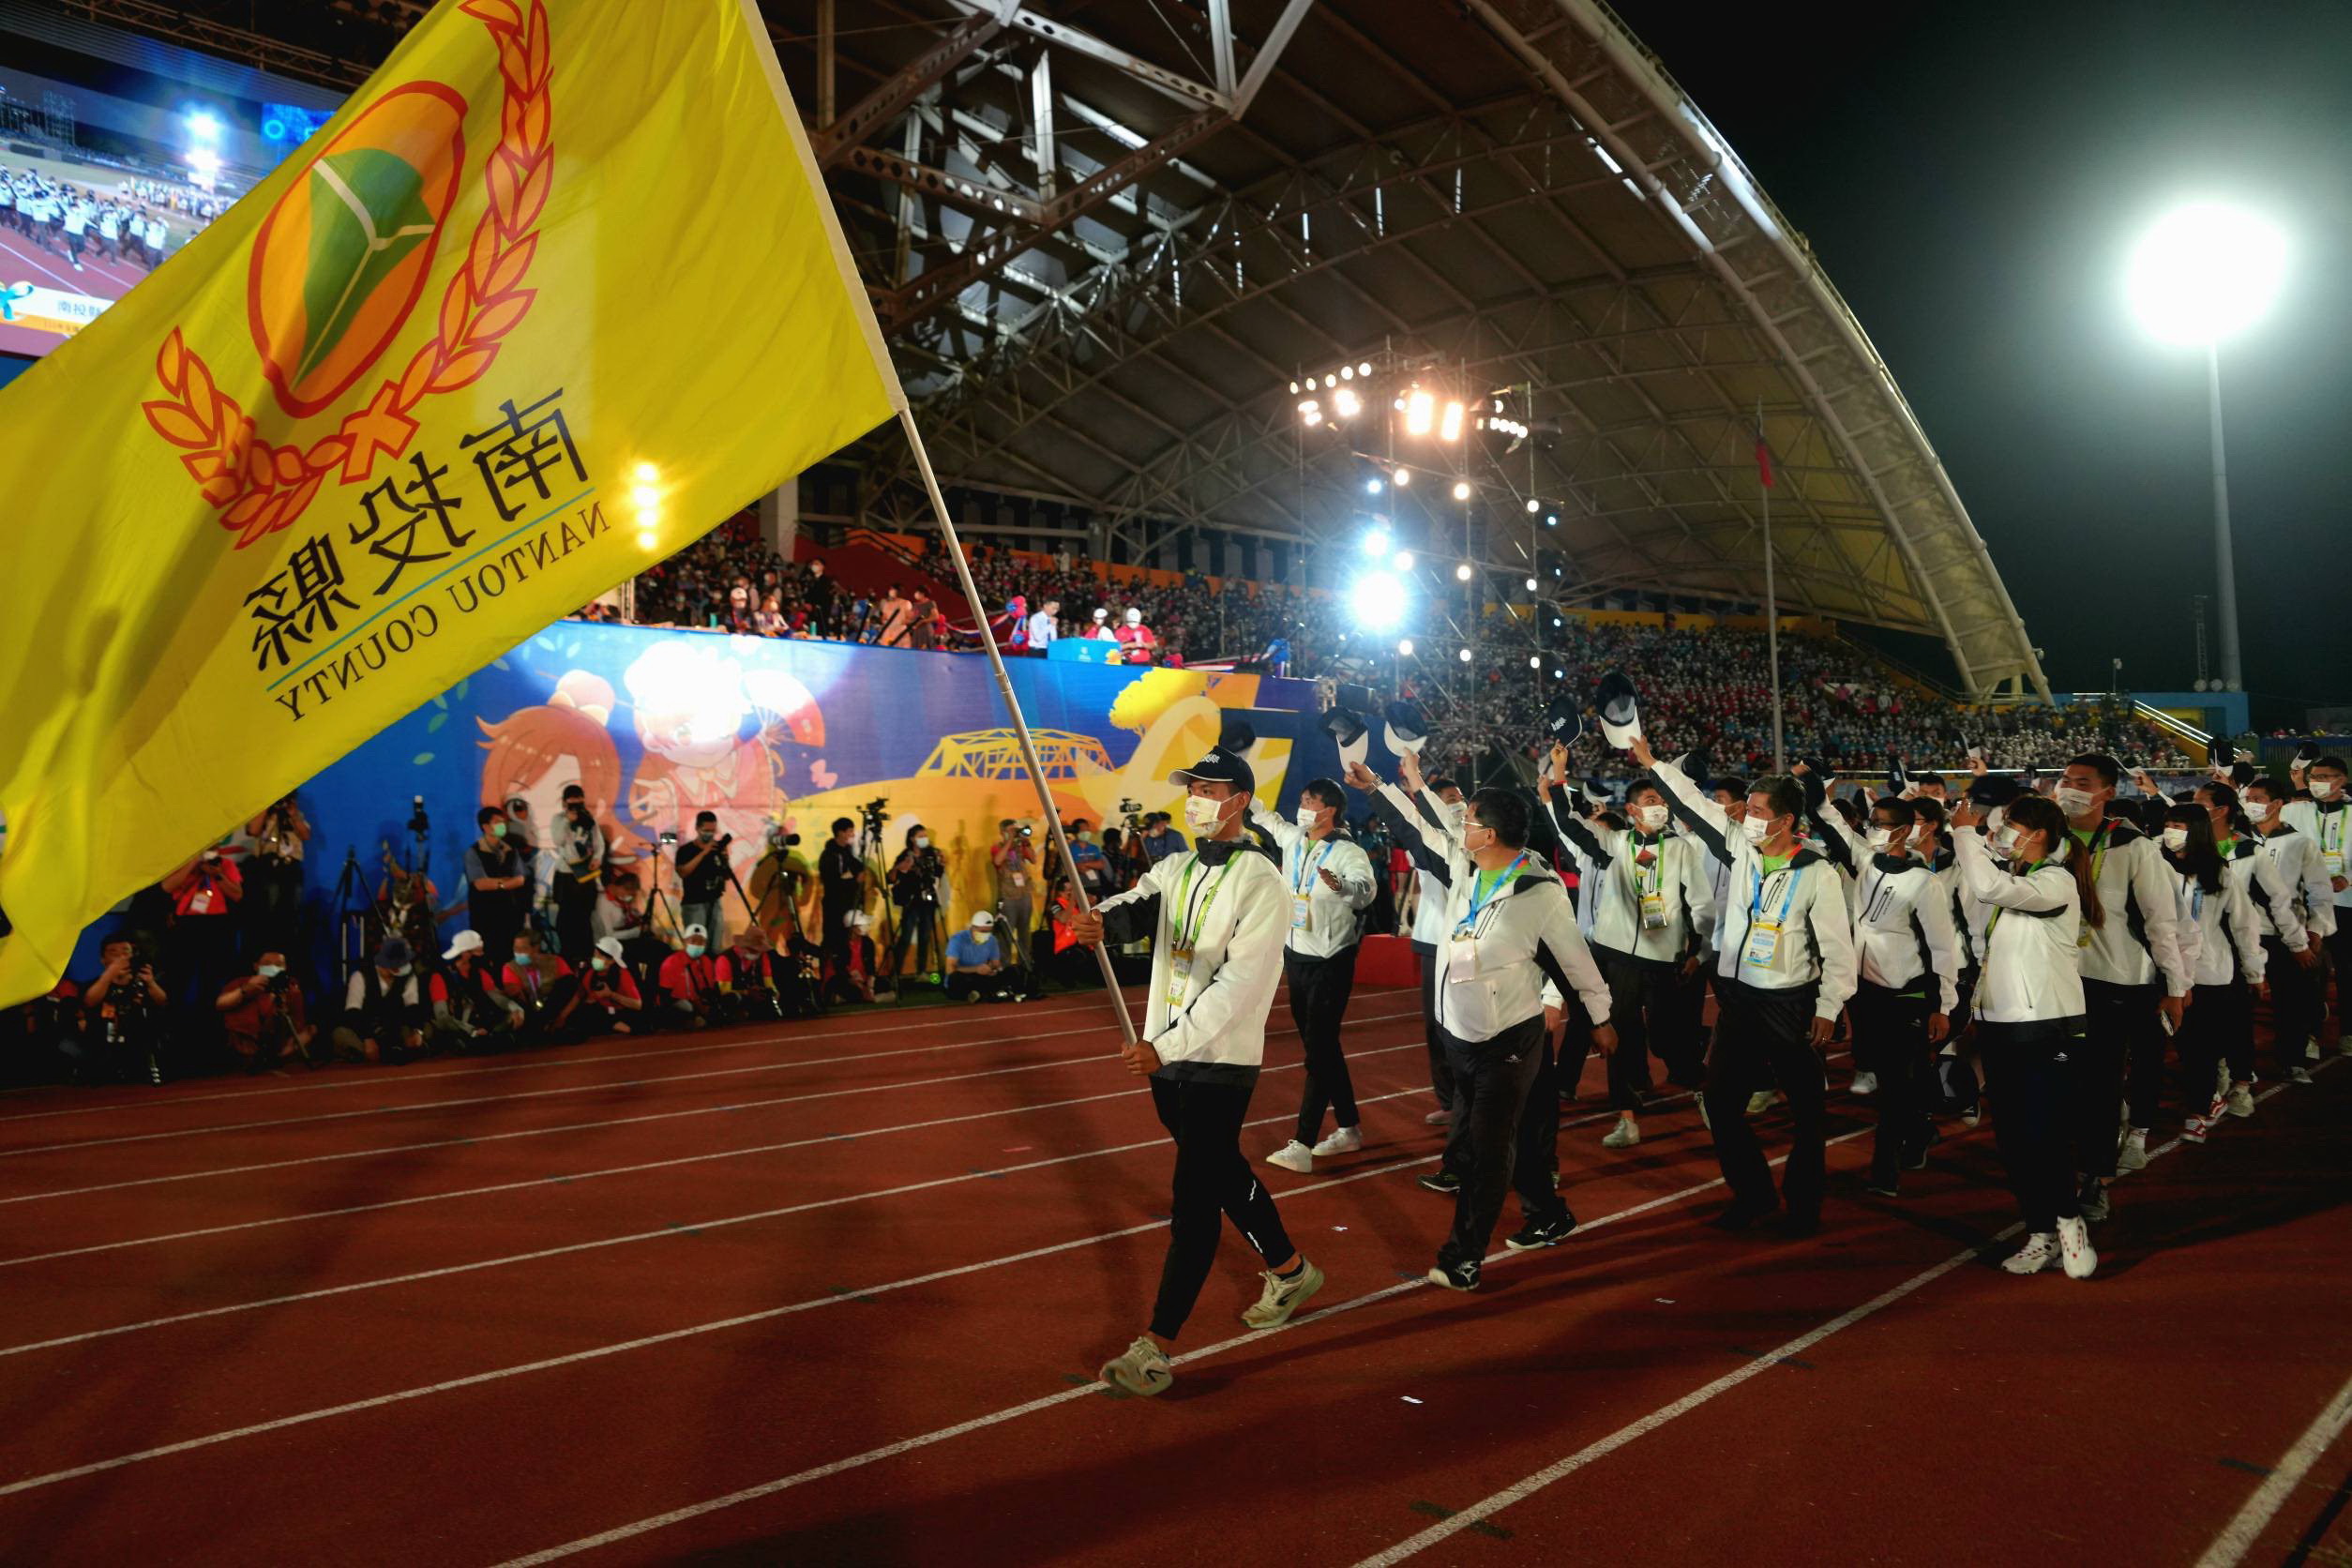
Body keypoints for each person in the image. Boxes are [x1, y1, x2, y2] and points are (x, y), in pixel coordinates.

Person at [1077, 745, 1323, 1398]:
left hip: (1218, 1061)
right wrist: (1099, 922)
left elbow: (1240, 987)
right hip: (1166, 1057)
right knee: (1220, 1172)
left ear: (1240, 800)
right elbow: (1137, 905)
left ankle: (1155, 1345)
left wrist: (1167, 1046)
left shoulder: (1262, 881)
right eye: (1192, 789)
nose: (1195, 800)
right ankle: (1290, 1269)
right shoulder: (1176, 867)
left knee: (1194, 1198)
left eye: (1208, 790)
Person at [1355, 748, 1615, 1289]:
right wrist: (1377, 787)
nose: (1462, 826)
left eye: (1470, 820)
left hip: (1508, 1039)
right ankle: (1548, 1213)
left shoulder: (1539, 893)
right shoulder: (1464, 869)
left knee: (1487, 1150)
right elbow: (1413, 830)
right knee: (1506, 1136)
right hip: (1460, 1034)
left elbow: (1575, 962)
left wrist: (1600, 1018)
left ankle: (1463, 1257)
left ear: (1491, 834)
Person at [1635, 734, 1857, 1236]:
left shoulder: (1816, 871)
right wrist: (1651, 762)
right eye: (1747, 808)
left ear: (1786, 821)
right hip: (1739, 999)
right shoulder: (1740, 848)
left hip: (1791, 1003)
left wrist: (1829, 1006)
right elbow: (1691, 802)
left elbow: (1838, 947)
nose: (1746, 817)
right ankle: (1754, 1194)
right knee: (1720, 1102)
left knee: (1807, 1114)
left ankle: (1803, 1207)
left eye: (1756, 811)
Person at [1949, 792, 2099, 1279]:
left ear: (2037, 834)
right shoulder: (2015, 878)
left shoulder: (2056, 882)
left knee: (2044, 1132)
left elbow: (1990, 887)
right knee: (2012, 1137)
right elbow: (1982, 908)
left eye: (2009, 824)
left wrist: (1964, 832)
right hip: (2000, 1025)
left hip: (2048, 1026)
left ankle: (2069, 1220)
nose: (2000, 832)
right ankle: (2039, 1233)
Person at [1537, 746, 1713, 1150]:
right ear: (1632, 810)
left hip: (1664, 960)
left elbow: (1702, 905)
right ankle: (1626, 1118)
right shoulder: (1613, 843)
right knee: (1619, 1038)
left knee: (1668, 1040)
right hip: (1616, 958)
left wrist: (1697, 952)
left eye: (1660, 801)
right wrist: (1560, 774)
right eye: (1650, 800)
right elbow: (1569, 823)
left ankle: (1705, 1093)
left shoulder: (1681, 849)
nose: (1659, 806)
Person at [2050, 754, 2187, 1225]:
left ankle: (2096, 1175)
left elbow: (2161, 922)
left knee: (2099, 1085)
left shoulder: (2133, 847)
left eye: (2082, 782)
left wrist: (2175, 985)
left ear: (2107, 793)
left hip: (2113, 983)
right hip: (2050, 980)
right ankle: (2057, 1168)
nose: (2069, 788)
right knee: (2056, 1082)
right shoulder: (2046, 840)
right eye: (2065, 779)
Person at [1812, 792, 1960, 1198]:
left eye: (1882, 823)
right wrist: (1813, 787)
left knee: (1895, 1084)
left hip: (1905, 997)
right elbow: (1831, 824)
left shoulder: (1924, 883)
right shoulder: (1865, 862)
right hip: (1866, 994)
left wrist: (1942, 1006)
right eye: (1872, 821)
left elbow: (1942, 948)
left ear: (1905, 830)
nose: (1873, 828)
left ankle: (1885, 1170)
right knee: (1888, 1075)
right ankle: (1921, 1131)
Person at [1249, 776, 1378, 1173]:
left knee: (1319, 1051)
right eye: (1303, 799)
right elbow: (1264, 817)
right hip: (1296, 956)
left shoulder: (1348, 851)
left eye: (1310, 801)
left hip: (1331, 959)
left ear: (1330, 810)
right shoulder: (1294, 839)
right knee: (1322, 1049)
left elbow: (1366, 889)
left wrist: (1341, 886)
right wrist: (1239, 788)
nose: (1303, 806)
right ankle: (1349, 1128)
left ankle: (1302, 1143)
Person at [2242, 776, 2333, 1083]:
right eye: (2248, 798)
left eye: (2257, 798)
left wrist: (2315, 931)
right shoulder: (2238, 842)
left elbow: (2319, 890)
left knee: (2290, 1001)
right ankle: (2241, 1066)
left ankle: (2292, 1059)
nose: (2250, 804)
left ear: (2277, 804)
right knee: (2241, 1004)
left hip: (2285, 934)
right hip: (2245, 934)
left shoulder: (2300, 843)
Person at [2279, 755, 2352, 1046]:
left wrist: (2348, 877)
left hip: (2346, 903)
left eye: (2325, 776)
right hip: (2306, 903)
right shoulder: (2294, 812)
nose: (2317, 782)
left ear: (2342, 779)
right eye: (2314, 777)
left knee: (2347, 970)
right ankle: (2310, 1032)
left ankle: (2348, 1032)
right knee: (2308, 970)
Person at [82, 935, 169, 1083]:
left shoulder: (142, 983)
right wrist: (109, 975)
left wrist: (151, 983)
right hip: (103, 1044)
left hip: (138, 1044)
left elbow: (162, 1002)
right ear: (103, 959)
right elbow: (89, 1002)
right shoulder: (95, 984)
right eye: (114, 953)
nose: (121, 957)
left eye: (126, 952)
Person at [216, 950, 314, 1073]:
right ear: (256, 966)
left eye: (278, 964)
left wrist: (289, 999)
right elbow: (220, 1004)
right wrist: (245, 990)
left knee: (310, 1031)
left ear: (285, 967)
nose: (273, 967)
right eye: (267, 963)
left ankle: (276, 1058)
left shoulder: (291, 987)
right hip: (244, 1040)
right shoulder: (242, 982)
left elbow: (299, 1024)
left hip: (276, 1041)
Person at [335, 938, 430, 1065]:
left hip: (394, 1028)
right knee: (341, 1035)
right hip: (365, 1029)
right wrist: (367, 1038)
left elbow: (413, 1006)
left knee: (422, 1031)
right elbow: (353, 1011)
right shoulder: (361, 976)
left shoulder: (408, 976)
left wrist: (417, 1031)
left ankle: (399, 1050)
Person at [431, 929, 525, 1051]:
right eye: (478, 952)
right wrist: (471, 1030)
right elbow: (442, 1017)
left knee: (512, 1018)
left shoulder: (480, 973)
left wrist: (516, 1009)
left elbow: (498, 998)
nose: (483, 955)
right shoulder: (440, 977)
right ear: (465, 953)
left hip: (483, 1023)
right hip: (461, 1028)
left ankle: (491, 1038)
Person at [242, 794, 309, 957]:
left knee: (292, 912)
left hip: (291, 867)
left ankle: (288, 952)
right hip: (267, 867)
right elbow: (253, 830)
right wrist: (266, 806)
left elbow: (306, 835)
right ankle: (268, 951)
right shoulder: (262, 813)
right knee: (269, 912)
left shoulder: (295, 814)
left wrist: (293, 814)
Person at [465, 806, 531, 965]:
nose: (502, 825)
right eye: (497, 822)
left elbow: (521, 879)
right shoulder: (473, 852)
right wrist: (505, 884)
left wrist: (497, 882)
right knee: (490, 957)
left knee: (511, 958)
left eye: (503, 822)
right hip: (486, 916)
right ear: (486, 827)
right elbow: (480, 884)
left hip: (511, 915)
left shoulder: (511, 850)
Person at [550, 787, 607, 961]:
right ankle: (568, 957)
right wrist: (567, 820)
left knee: (584, 917)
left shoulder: (589, 819)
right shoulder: (558, 819)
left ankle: (585, 957)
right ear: (564, 803)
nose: (576, 808)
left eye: (579, 804)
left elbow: (599, 844)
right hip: (566, 874)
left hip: (586, 873)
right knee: (566, 919)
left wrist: (597, 858)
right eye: (572, 804)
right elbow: (558, 840)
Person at [887, 825, 946, 987]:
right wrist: (901, 868)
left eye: (925, 836)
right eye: (920, 836)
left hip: (928, 900)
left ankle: (921, 971)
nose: (924, 839)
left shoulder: (931, 854)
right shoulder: (905, 855)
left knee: (925, 937)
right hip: (911, 901)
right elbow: (891, 878)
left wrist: (942, 864)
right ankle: (895, 974)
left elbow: (937, 873)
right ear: (912, 838)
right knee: (905, 937)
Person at [501, 928, 577, 1045]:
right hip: (530, 1012)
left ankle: (547, 1027)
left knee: (568, 982)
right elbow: (517, 997)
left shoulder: (555, 961)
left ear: (536, 948)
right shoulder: (510, 967)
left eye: (523, 949)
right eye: (515, 949)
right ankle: (545, 1029)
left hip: (555, 1009)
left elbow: (574, 990)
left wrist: (562, 1016)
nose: (518, 953)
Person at [565, 935, 645, 1037]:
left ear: (611, 960)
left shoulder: (622, 975)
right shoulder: (590, 974)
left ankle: (623, 1027)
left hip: (620, 1013)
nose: (595, 959)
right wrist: (563, 1016)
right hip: (602, 1012)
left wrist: (611, 995)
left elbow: (637, 1005)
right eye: (595, 955)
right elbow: (581, 996)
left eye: (600, 956)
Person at [988, 821, 1038, 974]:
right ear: (1002, 831)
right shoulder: (997, 847)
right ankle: (1004, 968)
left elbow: (1034, 859)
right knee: (1006, 934)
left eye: (1015, 830)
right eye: (1011, 830)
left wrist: (1026, 842)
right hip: (1008, 897)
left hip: (1024, 895)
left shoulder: (1020, 846)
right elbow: (997, 861)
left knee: (1025, 932)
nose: (1014, 833)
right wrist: (1009, 840)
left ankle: (1025, 965)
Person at [819, 817, 866, 976]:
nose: (852, 834)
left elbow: (858, 867)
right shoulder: (829, 855)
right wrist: (852, 880)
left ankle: (845, 974)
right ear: (840, 833)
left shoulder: (847, 852)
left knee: (845, 941)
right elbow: (831, 881)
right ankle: (828, 976)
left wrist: (855, 875)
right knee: (832, 939)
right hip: (834, 904)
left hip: (848, 903)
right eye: (850, 831)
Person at [676, 811, 732, 939]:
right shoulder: (685, 850)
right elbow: (683, 872)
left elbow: (727, 876)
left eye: (713, 831)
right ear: (697, 828)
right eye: (706, 830)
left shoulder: (716, 849)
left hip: (715, 902)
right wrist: (704, 853)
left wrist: (725, 859)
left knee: (715, 943)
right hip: (694, 904)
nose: (710, 834)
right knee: (696, 942)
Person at [657, 924, 722, 1028]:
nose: (697, 945)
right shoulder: (671, 962)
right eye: (693, 941)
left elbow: (713, 989)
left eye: (701, 942)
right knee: (685, 1007)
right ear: (684, 942)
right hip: (678, 1004)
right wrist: (695, 1006)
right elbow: (664, 996)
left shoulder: (706, 961)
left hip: (701, 1004)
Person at [944, 911, 1015, 1002]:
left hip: (981, 976)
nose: (986, 934)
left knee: (1010, 971)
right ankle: (980, 994)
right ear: (972, 928)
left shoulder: (992, 940)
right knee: (956, 978)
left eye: (989, 931)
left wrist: (991, 969)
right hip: (964, 976)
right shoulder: (957, 939)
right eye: (983, 931)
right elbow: (950, 969)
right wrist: (975, 969)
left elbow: (996, 963)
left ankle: (980, 994)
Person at [877, 583, 914, 647]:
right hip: (888, 631)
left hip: (900, 631)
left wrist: (900, 622)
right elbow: (883, 618)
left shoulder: (906, 603)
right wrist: (884, 621)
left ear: (898, 591)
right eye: (890, 589)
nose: (890, 591)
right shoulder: (887, 604)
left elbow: (910, 619)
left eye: (892, 589)